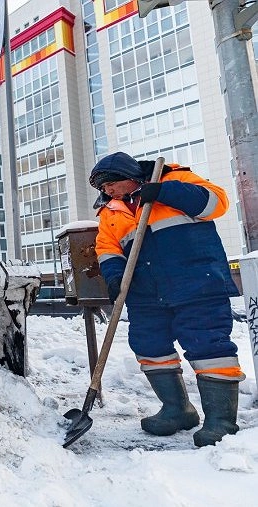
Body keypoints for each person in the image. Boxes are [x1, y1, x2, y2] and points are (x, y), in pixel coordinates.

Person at [90, 152, 244, 447]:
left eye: (109, 185)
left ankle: (221, 420)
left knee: (208, 346)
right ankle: (177, 410)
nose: (107, 193)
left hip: (196, 283)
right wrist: (114, 278)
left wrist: (164, 192)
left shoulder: (174, 179)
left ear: (126, 176)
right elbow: (107, 249)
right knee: (149, 346)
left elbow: (216, 202)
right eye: (104, 189)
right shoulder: (111, 213)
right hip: (146, 293)